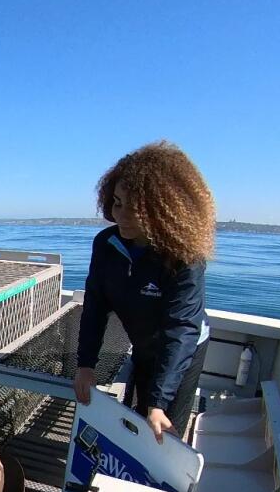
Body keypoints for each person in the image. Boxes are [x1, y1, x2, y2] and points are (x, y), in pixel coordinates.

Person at [73, 141, 215, 443]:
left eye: (136, 209)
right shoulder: (106, 244)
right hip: (142, 343)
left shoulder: (183, 257)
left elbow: (181, 330)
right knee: (134, 420)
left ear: (163, 210)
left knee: (161, 430)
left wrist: (159, 403)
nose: (123, 216)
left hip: (182, 349)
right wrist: (85, 364)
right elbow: (95, 307)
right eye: (118, 203)